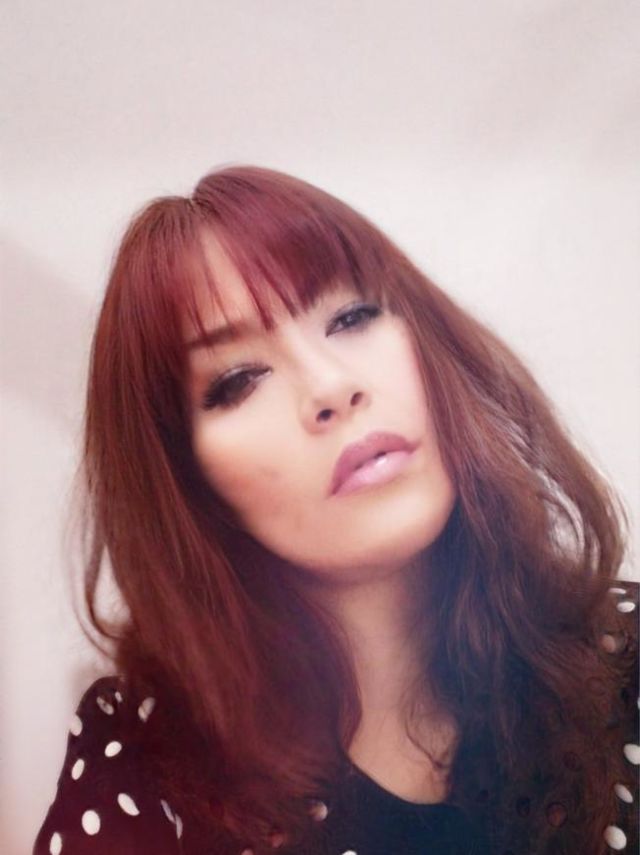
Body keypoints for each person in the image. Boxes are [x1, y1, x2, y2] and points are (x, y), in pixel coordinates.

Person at [33, 165, 638, 855]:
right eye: (239, 379)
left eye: (352, 317)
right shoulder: (143, 756)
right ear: (184, 477)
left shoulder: (623, 664)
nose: (331, 386)